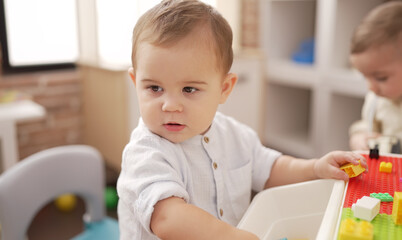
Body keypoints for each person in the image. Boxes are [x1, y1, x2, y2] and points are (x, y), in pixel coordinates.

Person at [117, 1, 367, 239]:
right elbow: (168, 219)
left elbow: (270, 168)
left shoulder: (234, 134)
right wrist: (233, 237)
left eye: (189, 90)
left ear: (225, 88)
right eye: (154, 88)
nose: (170, 105)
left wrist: (314, 168)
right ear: (135, 82)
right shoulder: (145, 154)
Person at [349, 1, 402, 152]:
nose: (370, 87)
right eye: (364, 77)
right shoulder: (377, 99)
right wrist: (359, 136)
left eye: (381, 78)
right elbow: (368, 124)